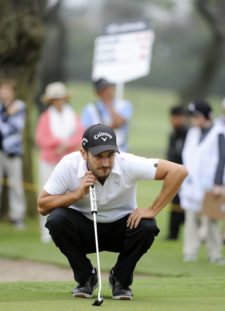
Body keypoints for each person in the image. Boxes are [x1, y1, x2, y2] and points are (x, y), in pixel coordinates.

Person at [37, 123, 187, 300]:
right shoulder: (69, 165)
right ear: (83, 153)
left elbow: (178, 171)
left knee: (147, 226)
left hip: (122, 229)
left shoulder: (127, 163)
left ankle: (120, 280)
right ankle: (86, 278)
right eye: (99, 156)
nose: (106, 163)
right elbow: (42, 206)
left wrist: (153, 209)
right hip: (85, 230)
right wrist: (76, 194)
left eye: (110, 155)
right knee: (56, 220)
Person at [35, 82, 84, 242]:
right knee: (47, 194)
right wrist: (58, 143)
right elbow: (41, 139)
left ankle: (66, 229)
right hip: (49, 161)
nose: (59, 101)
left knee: (69, 195)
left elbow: (79, 135)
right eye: (56, 98)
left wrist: (66, 145)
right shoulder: (45, 117)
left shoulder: (73, 116)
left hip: (68, 162)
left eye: (61, 98)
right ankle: (45, 232)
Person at [180, 100, 225, 264]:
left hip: (211, 184)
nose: (193, 119)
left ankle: (215, 253)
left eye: (195, 116)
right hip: (191, 183)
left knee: (212, 220)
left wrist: (218, 183)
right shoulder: (192, 133)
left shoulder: (219, 132)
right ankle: (190, 251)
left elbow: (221, 159)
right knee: (191, 218)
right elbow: (187, 156)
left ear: (203, 116)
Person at [0, 80, 26, 229]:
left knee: (16, 184)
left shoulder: (20, 105)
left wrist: (4, 119)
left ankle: (17, 217)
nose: (4, 93)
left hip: (13, 151)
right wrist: (6, 116)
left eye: (7, 90)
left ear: (13, 92)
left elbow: (17, 126)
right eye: (2, 89)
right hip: (0, 151)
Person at [81, 78, 132, 152]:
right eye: (103, 90)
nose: (107, 92)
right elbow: (88, 132)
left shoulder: (124, 105)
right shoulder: (89, 109)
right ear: (97, 93)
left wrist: (109, 104)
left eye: (108, 88)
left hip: (120, 149)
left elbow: (118, 122)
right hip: (97, 151)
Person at [166, 105, 188, 240]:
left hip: (185, 173)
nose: (175, 120)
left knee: (184, 203)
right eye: (173, 117)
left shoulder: (188, 133)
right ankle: (173, 233)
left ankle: (188, 231)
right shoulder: (172, 133)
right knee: (173, 200)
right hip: (173, 172)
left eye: (177, 117)